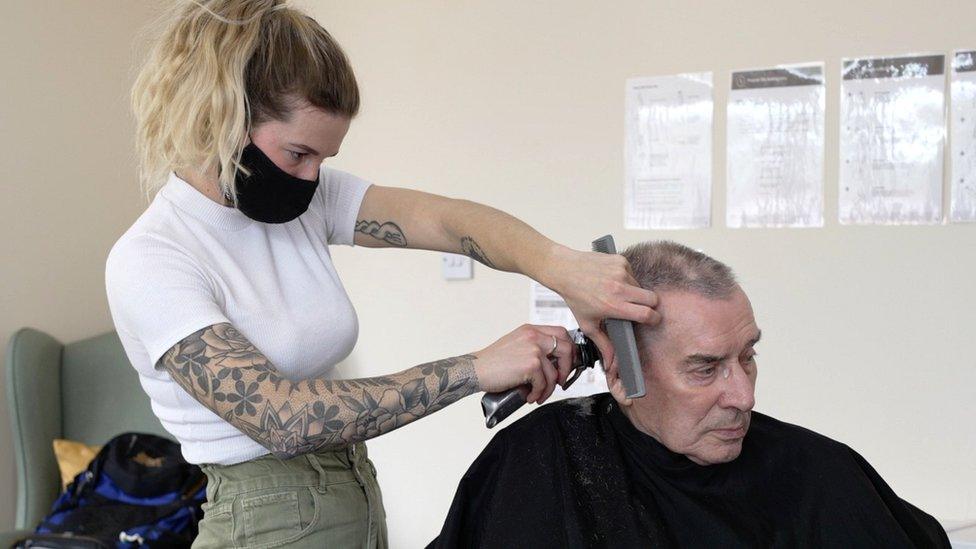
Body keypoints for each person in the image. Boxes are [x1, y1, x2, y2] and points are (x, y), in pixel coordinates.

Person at [104, 1, 658, 548]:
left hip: (353, 493)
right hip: (263, 519)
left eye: (324, 158)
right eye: (298, 154)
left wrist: (564, 271)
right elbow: (283, 420)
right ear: (220, 117)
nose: (312, 177)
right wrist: (474, 369)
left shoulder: (309, 199)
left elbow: (448, 221)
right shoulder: (153, 259)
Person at [430, 240, 950, 548]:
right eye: (706, 368)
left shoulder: (818, 475)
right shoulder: (538, 463)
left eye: (748, 356)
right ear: (620, 372)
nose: (743, 396)